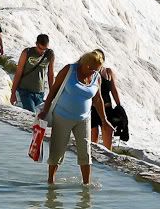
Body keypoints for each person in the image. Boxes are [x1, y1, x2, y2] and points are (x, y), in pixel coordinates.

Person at [38, 50, 113, 185]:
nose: (93, 72)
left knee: (85, 152)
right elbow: (53, 91)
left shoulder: (96, 76)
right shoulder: (69, 70)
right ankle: (51, 182)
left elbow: (97, 99)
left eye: (97, 69)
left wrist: (104, 120)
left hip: (83, 119)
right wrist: (45, 110)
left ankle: (86, 185)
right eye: (92, 68)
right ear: (85, 63)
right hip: (62, 116)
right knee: (57, 150)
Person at [10, 33, 55, 112]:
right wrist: (13, 93)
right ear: (36, 44)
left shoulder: (49, 54)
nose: (42, 51)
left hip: (40, 93)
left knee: (38, 118)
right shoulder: (27, 52)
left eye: (45, 49)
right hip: (25, 91)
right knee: (31, 114)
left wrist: (52, 94)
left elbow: (51, 75)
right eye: (40, 48)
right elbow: (18, 72)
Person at [90, 54, 122, 150]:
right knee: (93, 136)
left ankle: (108, 157)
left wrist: (119, 106)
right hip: (93, 108)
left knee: (107, 135)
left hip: (107, 108)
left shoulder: (108, 72)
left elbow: (113, 89)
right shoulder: (91, 72)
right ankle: (91, 160)